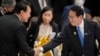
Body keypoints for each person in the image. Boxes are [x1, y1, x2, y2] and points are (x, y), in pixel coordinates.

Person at [34, 5, 100, 56]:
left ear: (80, 17)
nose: (69, 19)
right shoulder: (68, 27)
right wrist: (41, 49)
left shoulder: (92, 25)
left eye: (72, 17)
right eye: (69, 17)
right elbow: (56, 41)